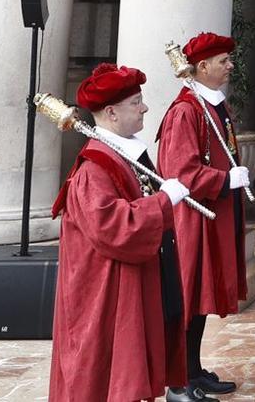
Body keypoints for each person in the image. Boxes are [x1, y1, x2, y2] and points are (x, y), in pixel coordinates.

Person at [48, 62, 200, 402]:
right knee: (108, 375)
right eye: (136, 102)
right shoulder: (95, 167)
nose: (145, 107)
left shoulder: (125, 154)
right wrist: (163, 202)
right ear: (112, 112)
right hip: (105, 291)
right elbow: (113, 227)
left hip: (131, 279)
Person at [157, 33, 251, 398]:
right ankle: (177, 380)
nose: (230, 66)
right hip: (195, 219)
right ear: (202, 67)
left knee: (200, 302)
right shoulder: (185, 111)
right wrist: (224, 179)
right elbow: (180, 170)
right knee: (188, 299)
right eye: (224, 60)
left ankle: (193, 369)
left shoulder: (213, 106)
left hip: (215, 214)